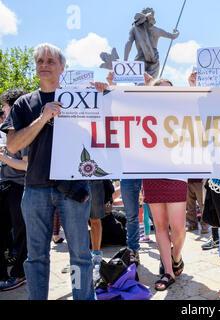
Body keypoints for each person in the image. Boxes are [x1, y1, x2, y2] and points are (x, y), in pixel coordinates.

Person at [0, 43, 95, 300]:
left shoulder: (82, 99)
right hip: (35, 189)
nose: (44, 64)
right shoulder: (23, 103)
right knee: (36, 257)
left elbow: (107, 125)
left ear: (62, 67)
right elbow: (13, 145)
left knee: (80, 256)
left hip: (73, 189)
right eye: (40, 60)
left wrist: (104, 94)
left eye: (50, 61)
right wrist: (42, 118)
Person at [141, 78, 188, 291]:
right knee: (160, 226)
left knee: (178, 227)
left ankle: (176, 257)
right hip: (151, 173)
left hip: (178, 173)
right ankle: (168, 272)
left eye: (169, 91)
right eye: (159, 91)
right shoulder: (144, 115)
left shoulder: (183, 113)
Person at [105, 70, 152, 264]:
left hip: (151, 169)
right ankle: (133, 250)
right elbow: (109, 106)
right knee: (132, 215)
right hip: (128, 171)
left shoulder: (147, 112)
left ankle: (170, 254)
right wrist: (111, 84)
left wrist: (148, 85)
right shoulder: (119, 116)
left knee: (159, 214)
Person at [0, 88, 28, 291]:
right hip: (6, 187)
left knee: (21, 234)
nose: (2, 110)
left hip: (19, 188)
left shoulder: (24, 129)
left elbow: (27, 165)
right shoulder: (7, 129)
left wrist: (4, 158)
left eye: (5, 106)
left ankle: (19, 274)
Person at [124, 7, 179, 78]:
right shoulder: (157, 30)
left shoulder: (134, 28)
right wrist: (177, 32)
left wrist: (125, 60)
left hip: (142, 60)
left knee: (140, 85)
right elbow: (173, 36)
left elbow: (129, 42)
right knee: (151, 84)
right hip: (153, 60)